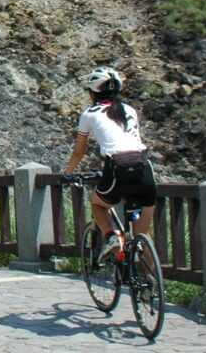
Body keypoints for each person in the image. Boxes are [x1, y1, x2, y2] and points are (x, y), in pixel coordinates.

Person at [64, 66, 156, 261]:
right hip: (144, 168)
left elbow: (79, 152)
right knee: (143, 234)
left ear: (93, 92)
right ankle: (151, 283)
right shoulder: (129, 110)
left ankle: (111, 237)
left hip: (118, 168)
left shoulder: (89, 114)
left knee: (97, 203)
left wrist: (67, 174)